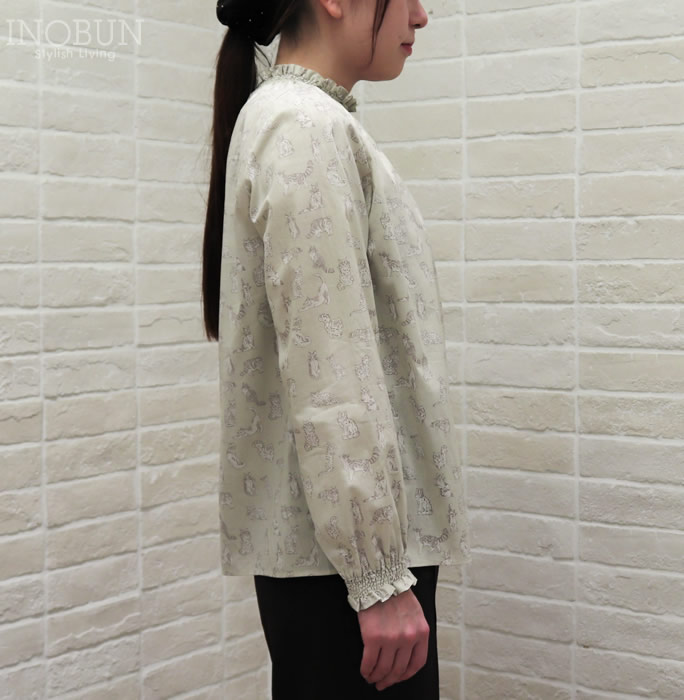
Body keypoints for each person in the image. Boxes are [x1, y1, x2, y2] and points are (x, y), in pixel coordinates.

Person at [202, 0, 471, 696]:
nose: (421, 16)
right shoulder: (304, 125)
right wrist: (377, 580)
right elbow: (332, 373)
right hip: (347, 580)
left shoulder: (303, 120)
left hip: (337, 570)